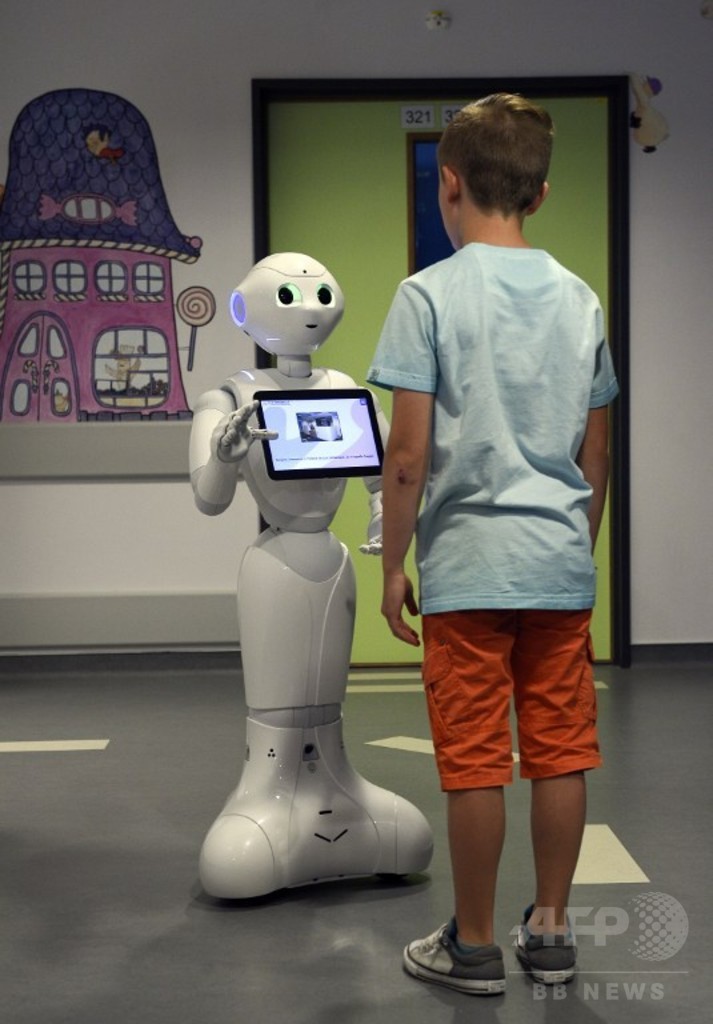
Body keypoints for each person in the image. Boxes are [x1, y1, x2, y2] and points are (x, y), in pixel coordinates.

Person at [366, 93, 619, 995]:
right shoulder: (580, 299)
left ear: (449, 184)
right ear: (539, 194)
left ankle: (471, 946)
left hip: (468, 569)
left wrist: (391, 565)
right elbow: (596, 451)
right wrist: (573, 547)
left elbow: (406, 456)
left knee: (474, 757)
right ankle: (549, 934)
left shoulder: (426, 295)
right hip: (556, 566)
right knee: (560, 749)